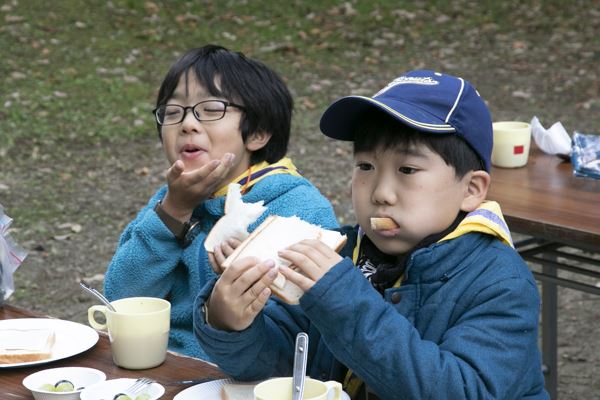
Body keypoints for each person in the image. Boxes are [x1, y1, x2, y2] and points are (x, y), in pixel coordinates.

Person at [193, 70, 549, 399]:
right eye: (366, 166)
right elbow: (282, 367)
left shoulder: (500, 281)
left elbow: (462, 391)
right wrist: (231, 321)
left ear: (471, 189)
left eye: (407, 169)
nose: (380, 192)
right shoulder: (343, 254)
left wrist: (342, 300)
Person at [104, 44, 338, 360]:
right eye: (173, 112)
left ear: (258, 132)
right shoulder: (172, 200)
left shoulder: (299, 211)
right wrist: (173, 212)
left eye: (211, 110)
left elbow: (296, 339)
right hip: (158, 365)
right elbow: (121, 299)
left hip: (241, 378)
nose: (187, 124)